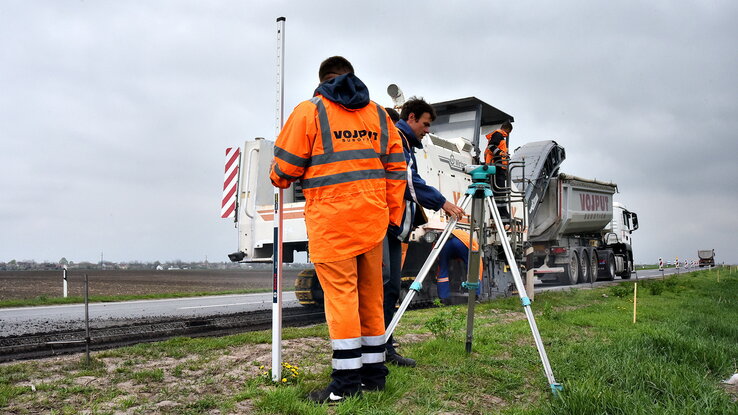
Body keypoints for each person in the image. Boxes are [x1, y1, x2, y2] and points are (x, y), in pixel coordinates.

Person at [270, 56, 407, 403]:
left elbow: (284, 169)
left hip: (332, 223)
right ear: (351, 77)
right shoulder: (379, 115)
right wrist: (391, 216)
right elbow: (396, 170)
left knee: (342, 299)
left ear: (323, 80)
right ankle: (374, 376)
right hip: (373, 222)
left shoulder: (310, 111)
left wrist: (279, 173)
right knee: (371, 298)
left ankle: (345, 385)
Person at [383, 97, 465, 367]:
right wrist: (442, 201)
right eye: (425, 124)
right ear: (411, 118)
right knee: (386, 289)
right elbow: (407, 182)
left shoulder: (406, 143)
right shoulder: (397, 139)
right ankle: (379, 351)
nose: (427, 130)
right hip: (383, 225)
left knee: (391, 288)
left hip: (393, 227)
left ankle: (384, 348)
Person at [437, 229, 482, 303]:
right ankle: (474, 296)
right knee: (472, 267)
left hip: (445, 243)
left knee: (443, 268)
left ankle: (443, 298)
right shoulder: (472, 241)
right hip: (462, 243)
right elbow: (477, 262)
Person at [484, 120, 512, 218]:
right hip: (496, 167)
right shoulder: (498, 135)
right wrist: (501, 153)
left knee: (499, 190)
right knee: (499, 190)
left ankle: (499, 212)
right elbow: (491, 146)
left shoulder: (498, 135)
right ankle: (501, 213)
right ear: (507, 129)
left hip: (497, 167)